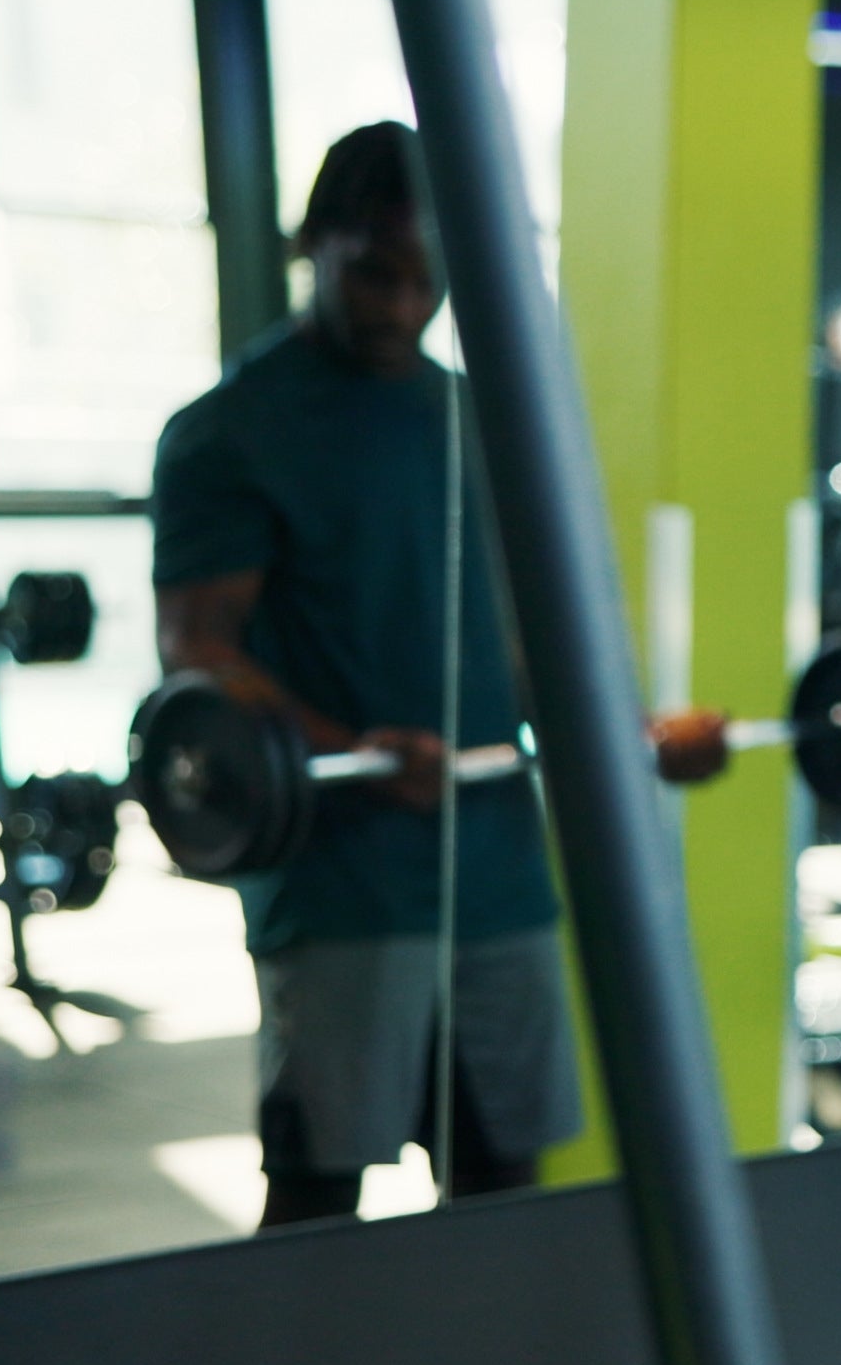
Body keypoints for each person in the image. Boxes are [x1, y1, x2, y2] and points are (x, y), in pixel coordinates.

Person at [152, 121, 581, 1226]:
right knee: (317, 1194)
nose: (401, 306)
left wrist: (598, 733)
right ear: (313, 243)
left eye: (426, 282)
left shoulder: (476, 415)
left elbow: (518, 630)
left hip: (495, 864)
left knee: (503, 1183)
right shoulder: (227, 432)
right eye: (375, 274)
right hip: (344, 880)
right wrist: (355, 756)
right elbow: (200, 652)